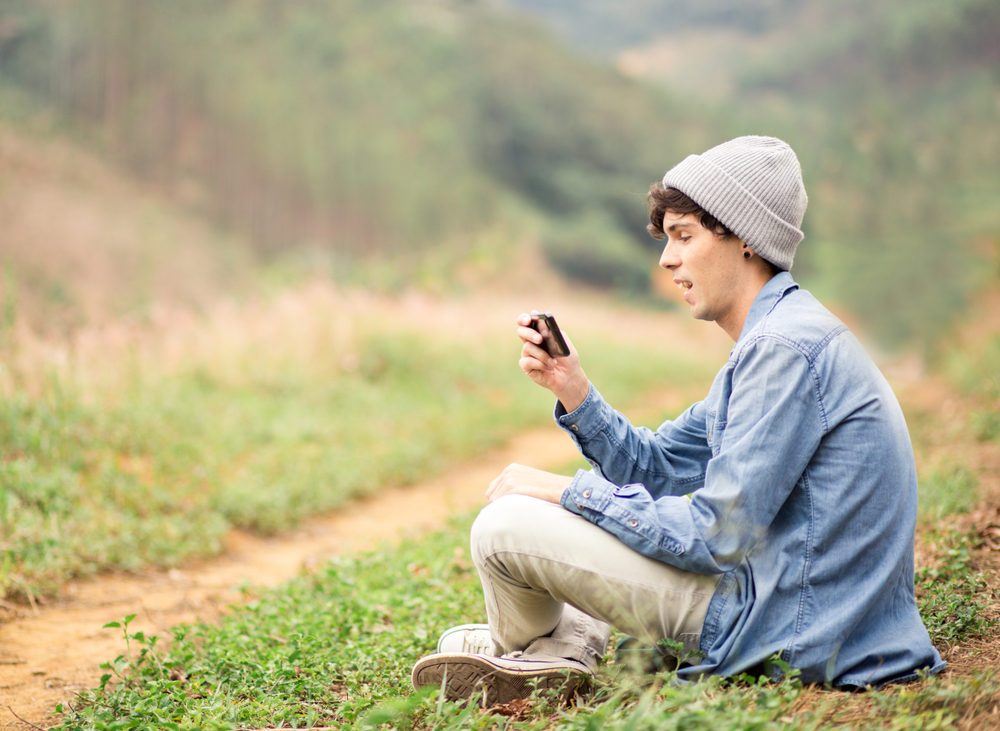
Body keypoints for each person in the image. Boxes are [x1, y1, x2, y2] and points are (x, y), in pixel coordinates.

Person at [411, 136, 945, 705]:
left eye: (684, 236)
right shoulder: (782, 337)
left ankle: (548, 649)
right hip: (787, 599)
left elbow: (717, 535)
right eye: (667, 238)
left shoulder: (784, 351)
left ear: (744, 238)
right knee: (533, 518)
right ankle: (555, 642)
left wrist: (568, 492)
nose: (667, 259)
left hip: (793, 625)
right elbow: (657, 466)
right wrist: (574, 389)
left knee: (502, 528)